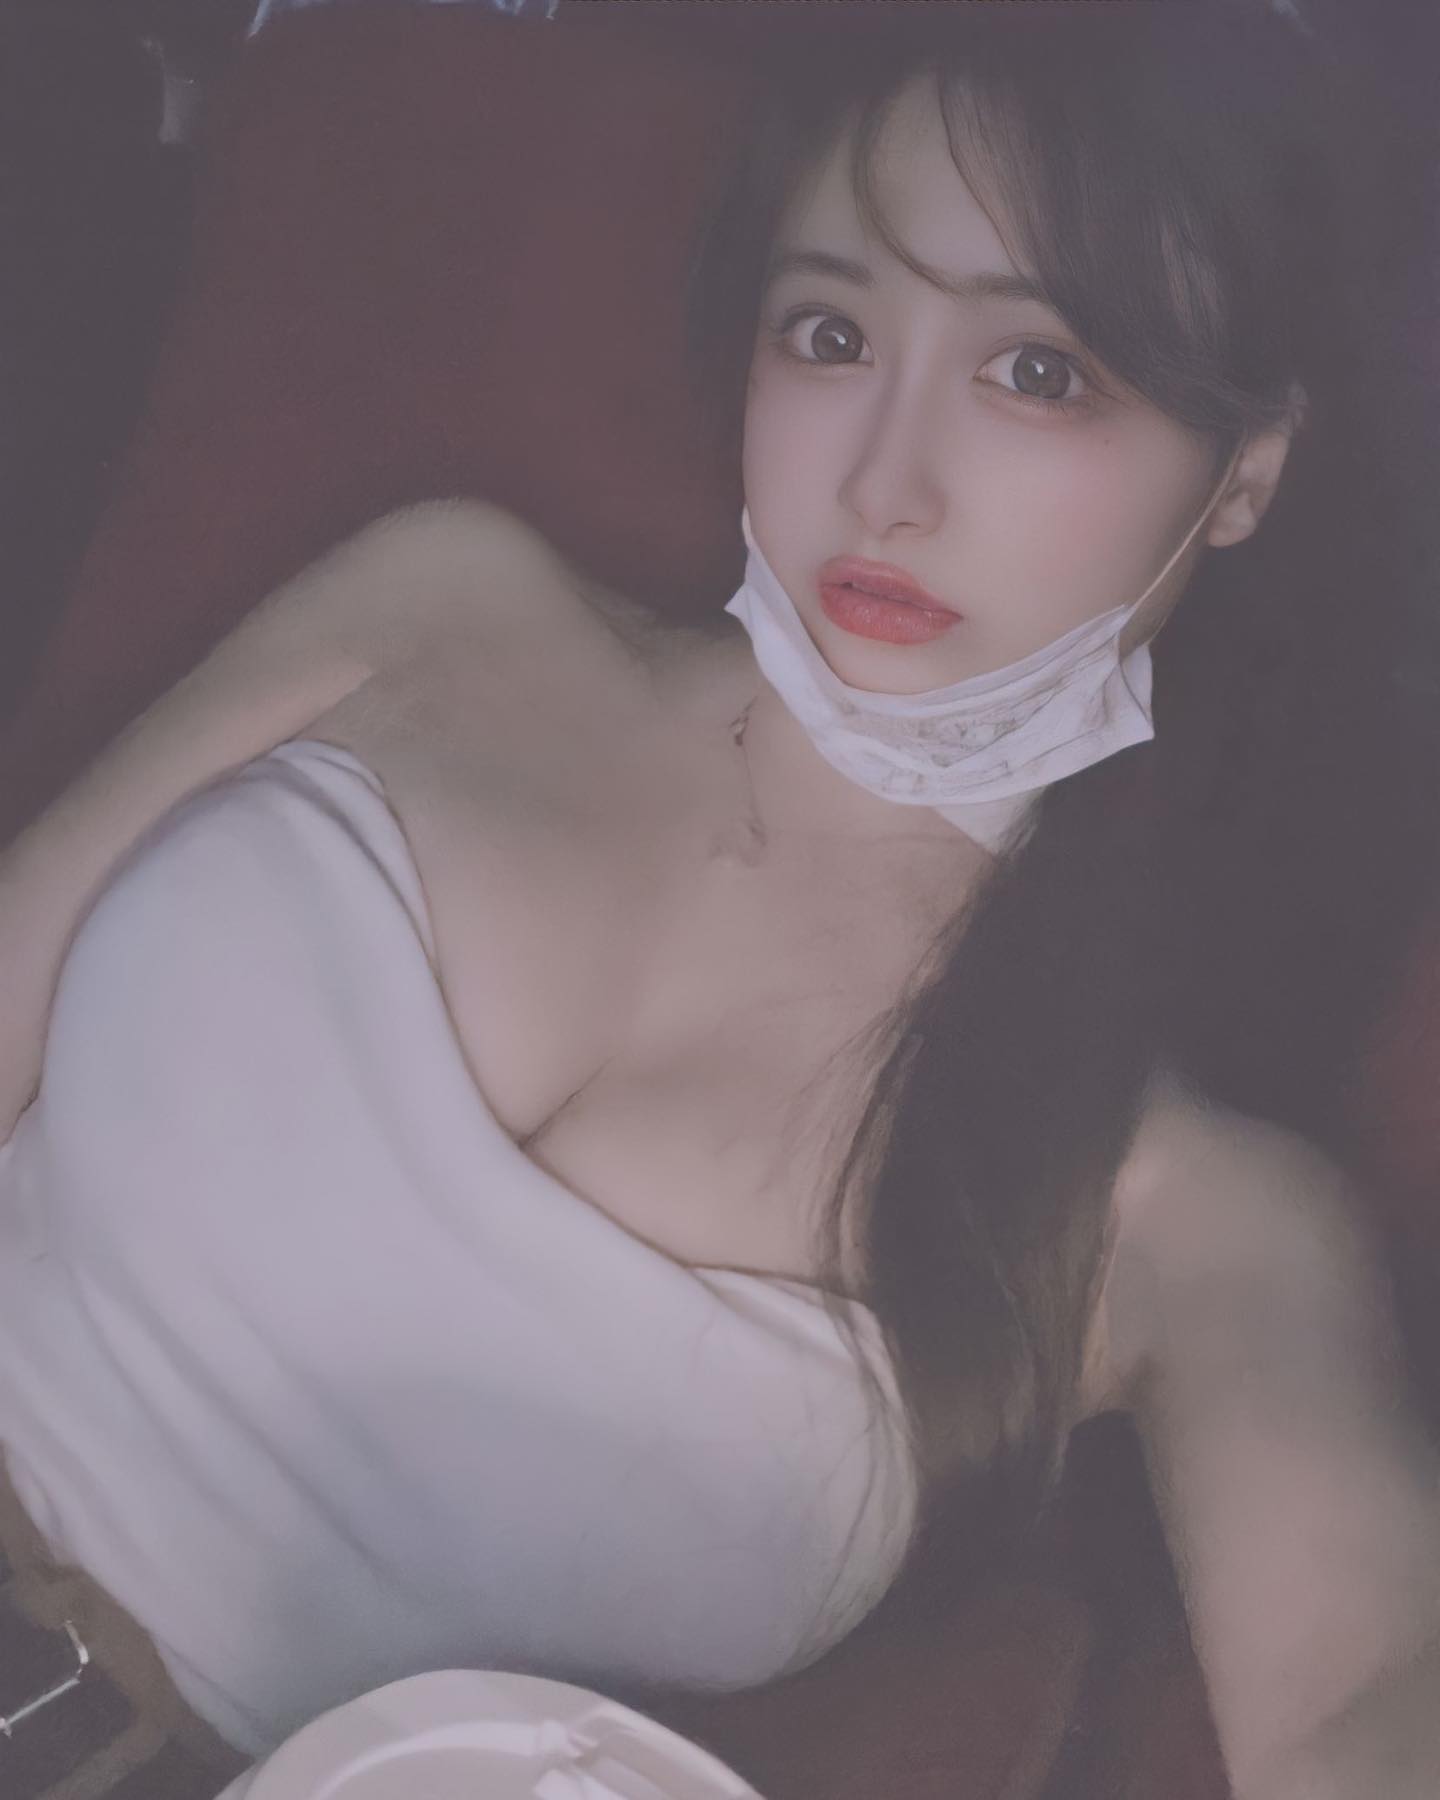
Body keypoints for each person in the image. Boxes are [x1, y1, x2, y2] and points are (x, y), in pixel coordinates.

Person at [1, 4, 1438, 1796]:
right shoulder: (443, 600)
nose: (884, 482)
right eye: (832, 333)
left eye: (1036, 371)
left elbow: (1367, 1697)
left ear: (1244, 475)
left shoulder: (1171, 1211)